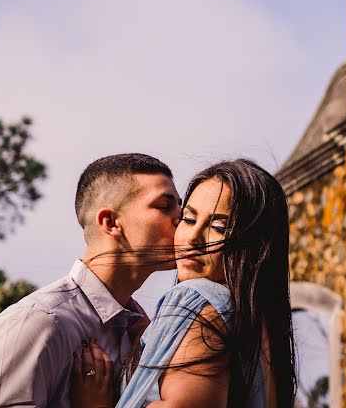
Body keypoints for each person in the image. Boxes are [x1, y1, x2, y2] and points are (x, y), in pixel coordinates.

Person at [70, 159, 297, 408]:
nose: (193, 238)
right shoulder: (258, 324)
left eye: (219, 227)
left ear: (254, 245)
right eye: (188, 219)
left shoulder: (198, 300)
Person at [0, 153, 182, 408]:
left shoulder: (142, 331)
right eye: (164, 205)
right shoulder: (36, 324)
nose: (182, 217)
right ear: (111, 223)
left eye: (180, 206)